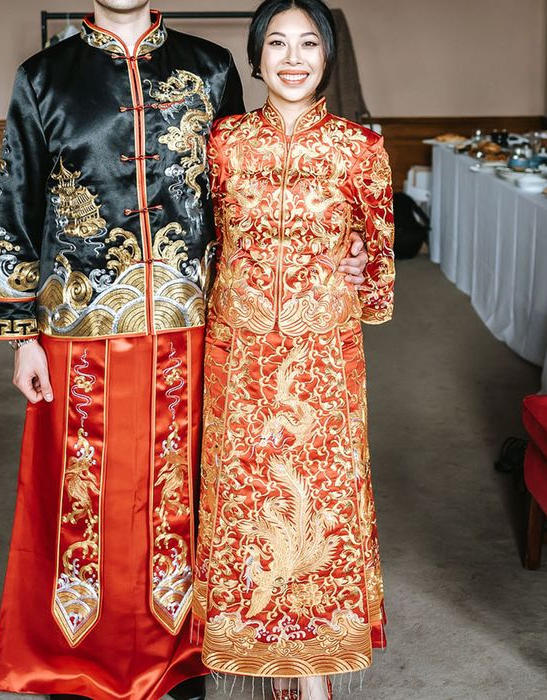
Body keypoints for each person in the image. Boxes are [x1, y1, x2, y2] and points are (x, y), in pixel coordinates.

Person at [0, 1, 369, 698]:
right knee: (84, 503)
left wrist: (339, 249)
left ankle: (190, 654)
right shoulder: (43, 77)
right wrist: (18, 332)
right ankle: (76, 659)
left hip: (195, 328)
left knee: (188, 497)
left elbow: (245, 187)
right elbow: (17, 199)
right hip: (79, 330)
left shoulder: (209, 68)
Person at [193, 1, 395, 699]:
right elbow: (199, 237)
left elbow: (381, 259)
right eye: (276, 42)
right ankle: (251, 654)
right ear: (255, 56)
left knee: (320, 501)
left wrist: (361, 260)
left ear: (327, 56)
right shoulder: (223, 142)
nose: (292, 57)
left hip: (321, 355)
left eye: (309, 43)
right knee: (246, 497)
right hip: (239, 349)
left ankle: (313, 675)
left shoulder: (358, 147)